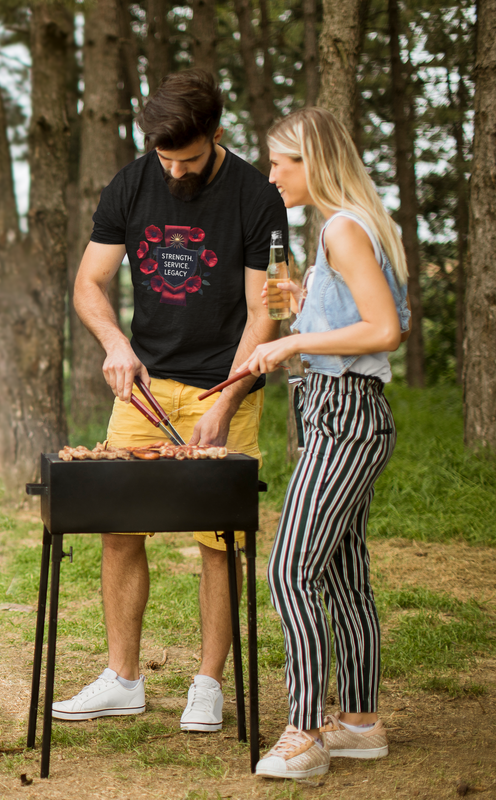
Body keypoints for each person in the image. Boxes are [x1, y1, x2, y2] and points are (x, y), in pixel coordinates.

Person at [51, 70, 288, 731]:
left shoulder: (256, 196)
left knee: (221, 540)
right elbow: (90, 284)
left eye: (188, 158)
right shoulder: (130, 183)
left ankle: (207, 686)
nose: (175, 172)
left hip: (226, 384)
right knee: (119, 528)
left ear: (217, 134)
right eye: (165, 159)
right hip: (146, 387)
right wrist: (114, 343)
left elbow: (265, 309)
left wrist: (231, 396)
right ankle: (123, 678)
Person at [236, 107, 411, 780]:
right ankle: (360, 724)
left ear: (315, 161)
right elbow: (354, 321)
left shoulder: (341, 228)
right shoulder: (346, 228)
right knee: (341, 576)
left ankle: (304, 732)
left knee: (288, 570)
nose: (272, 173)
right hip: (343, 412)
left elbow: (383, 330)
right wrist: (301, 308)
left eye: (282, 161)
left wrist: (293, 339)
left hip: (344, 416)